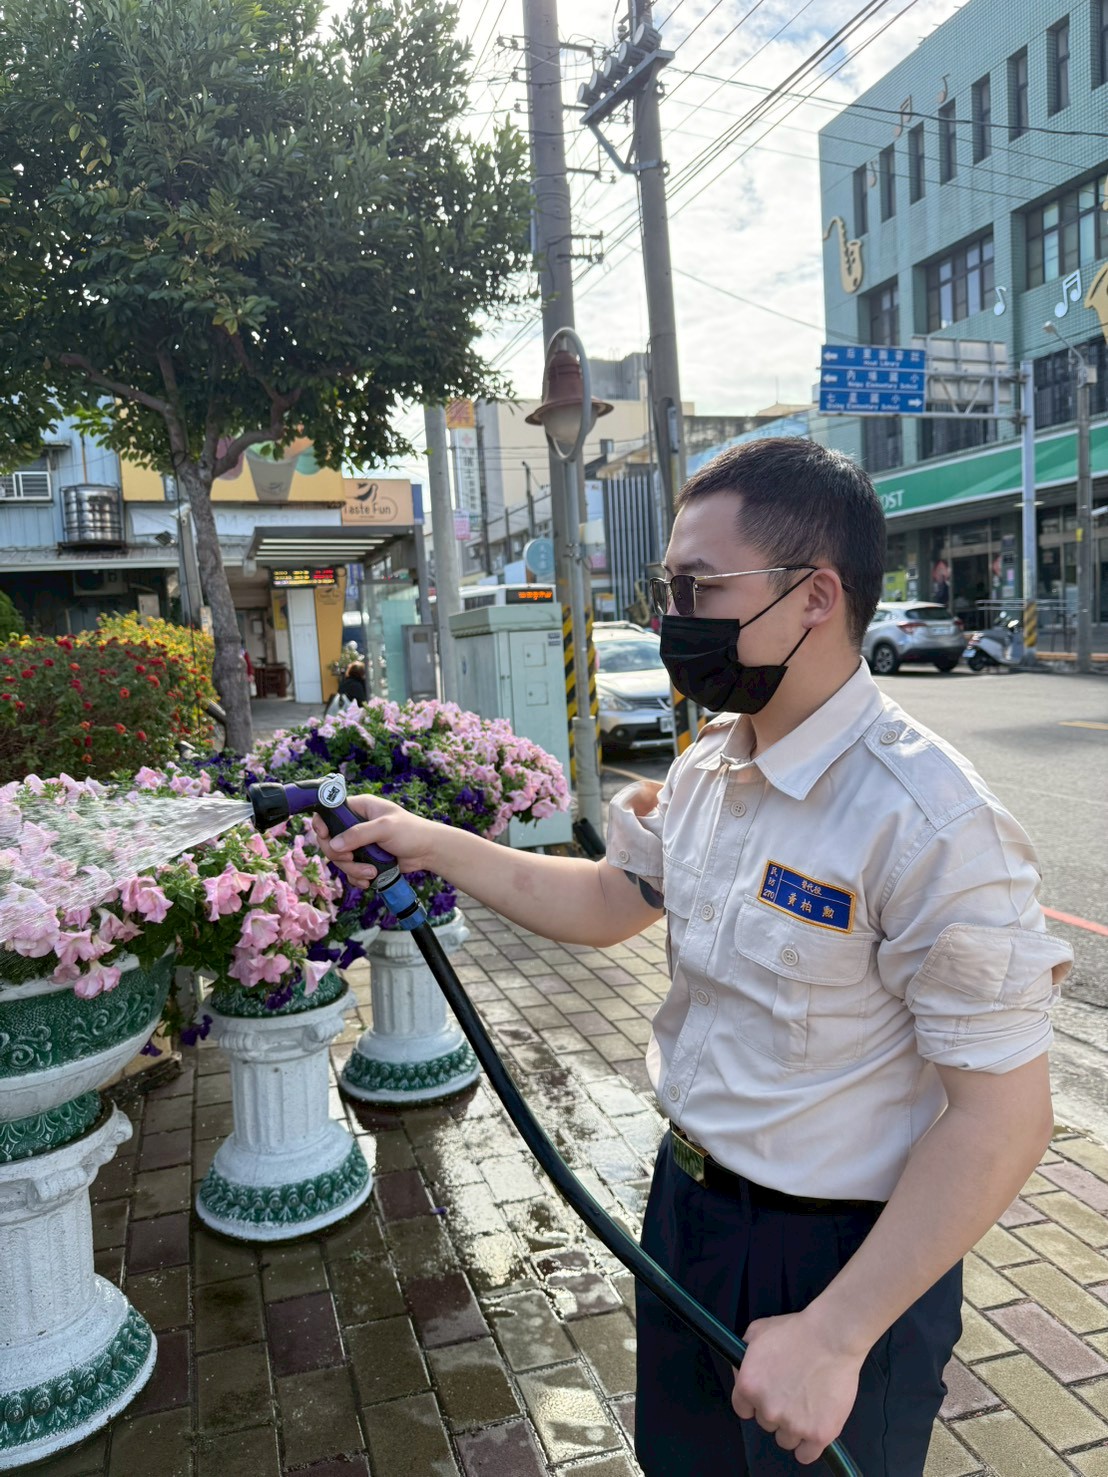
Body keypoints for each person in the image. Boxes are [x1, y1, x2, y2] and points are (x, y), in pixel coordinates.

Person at [313, 438, 1071, 1476]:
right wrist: (425, 840)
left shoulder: (930, 821)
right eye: (670, 585)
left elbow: (1002, 1116)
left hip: (842, 1257)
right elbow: (610, 899)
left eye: (698, 585)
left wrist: (840, 1332)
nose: (674, 614)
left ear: (813, 596)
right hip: (686, 1211)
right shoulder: (714, 763)